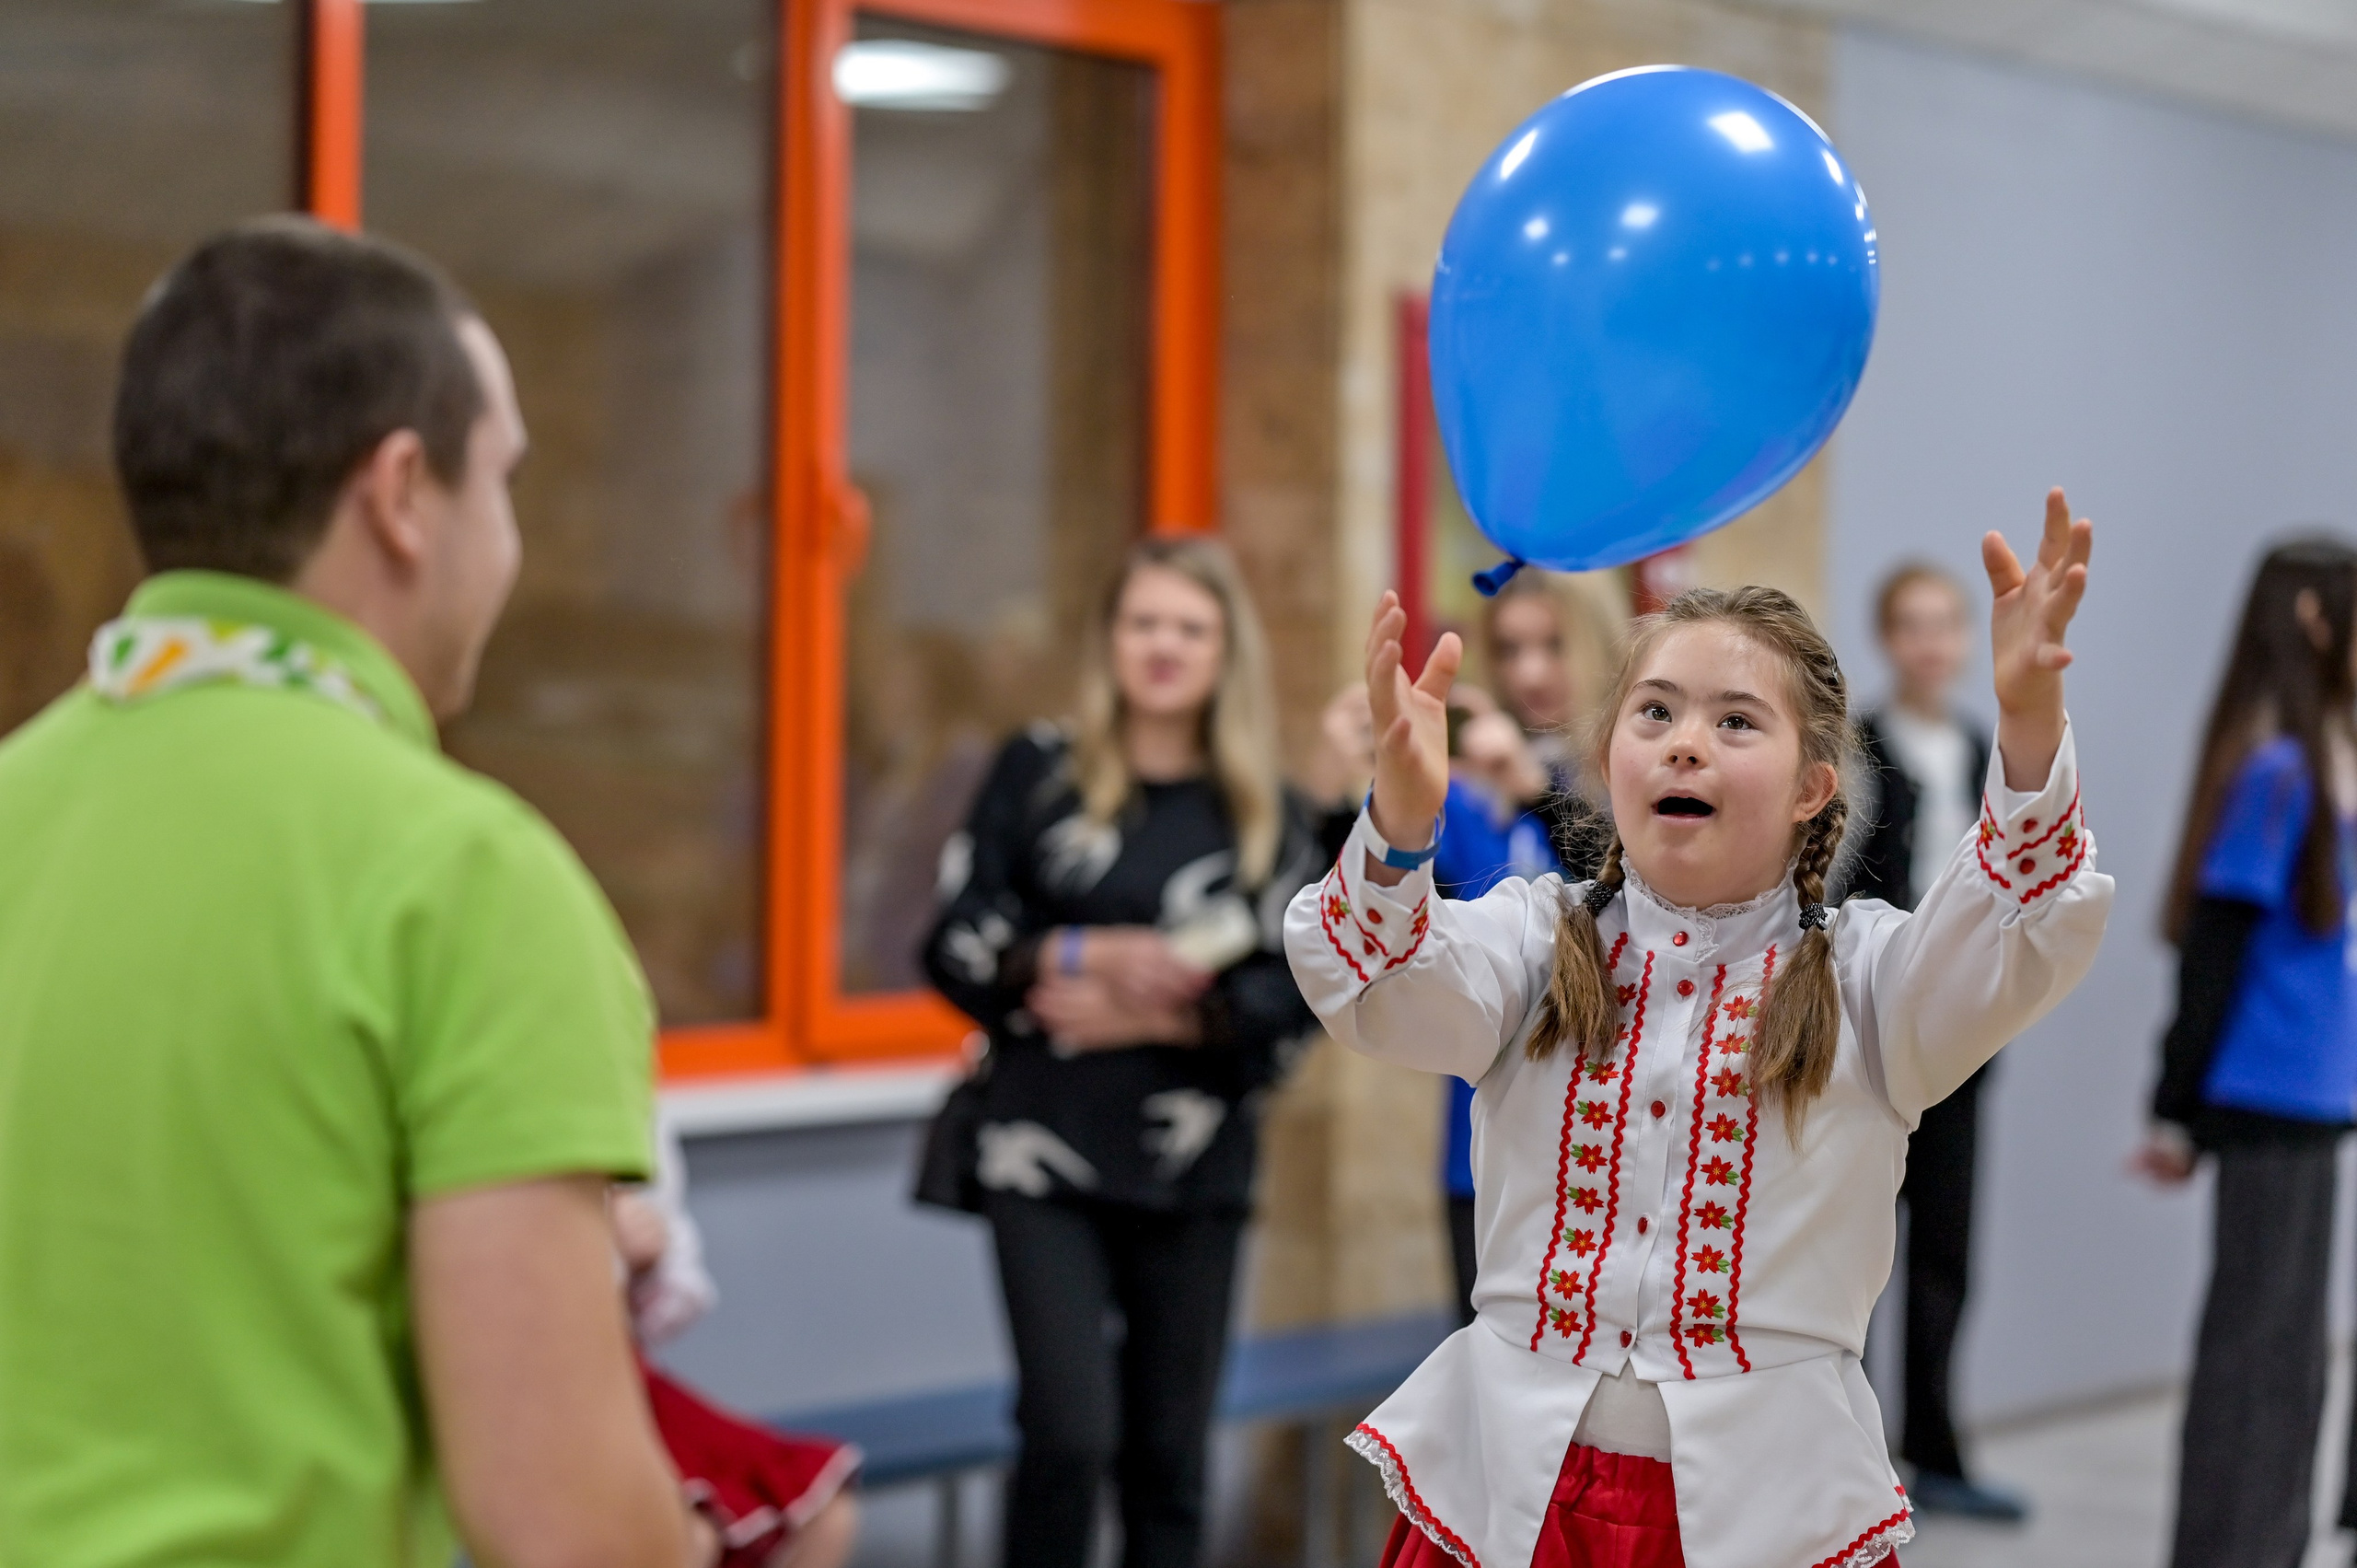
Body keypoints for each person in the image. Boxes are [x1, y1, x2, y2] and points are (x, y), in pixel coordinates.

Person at [0, 218, 700, 1566]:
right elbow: (566, 1526)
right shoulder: (464, 878)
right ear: (400, 494)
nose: (509, 541)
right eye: (502, 483)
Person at [1286, 490, 2107, 1568]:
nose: (1684, 745)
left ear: (1816, 785)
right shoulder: (1534, 939)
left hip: (1769, 1507)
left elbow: (2024, 919)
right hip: (1508, 1498)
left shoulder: (1869, 976)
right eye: (1655, 712)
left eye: (1735, 720)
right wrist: (1396, 827)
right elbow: (1370, 976)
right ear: (1611, 750)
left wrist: (2029, 721)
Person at [920, 535, 1321, 1568]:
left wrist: (1167, 1016)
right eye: (1143, 621)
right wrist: (1085, 947)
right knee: (1067, 1436)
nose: (1163, 646)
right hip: (1039, 1150)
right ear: (1108, 639)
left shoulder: (1264, 813)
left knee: (1168, 1462)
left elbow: (1307, 990)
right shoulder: (1038, 771)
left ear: (1227, 650)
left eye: (1190, 626)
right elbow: (955, 942)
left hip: (1194, 1170)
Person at [2133, 540, 2357, 1568]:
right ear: (2315, 619)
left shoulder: (2323, 762)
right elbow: (2212, 953)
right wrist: (2172, 1106)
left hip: (2312, 1100)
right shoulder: (2273, 771)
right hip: (2261, 1098)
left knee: (2293, 1358)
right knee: (2254, 1355)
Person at [1844, 563, 2023, 1521]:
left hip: (1963, 1036)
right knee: (1861, 1251)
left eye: (1945, 624)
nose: (1931, 643)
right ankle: (1855, 1457)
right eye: (1910, 624)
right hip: (1875, 1034)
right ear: (1886, 637)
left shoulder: (1976, 743)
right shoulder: (1859, 748)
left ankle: (1936, 1446)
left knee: (1946, 1250)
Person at [615, 1121, 862, 1568]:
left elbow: (680, 1295)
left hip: (633, 1377)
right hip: (557, 1396)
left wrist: (645, 1264)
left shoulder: (635, 1105)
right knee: (686, 1541)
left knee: (828, 1515)